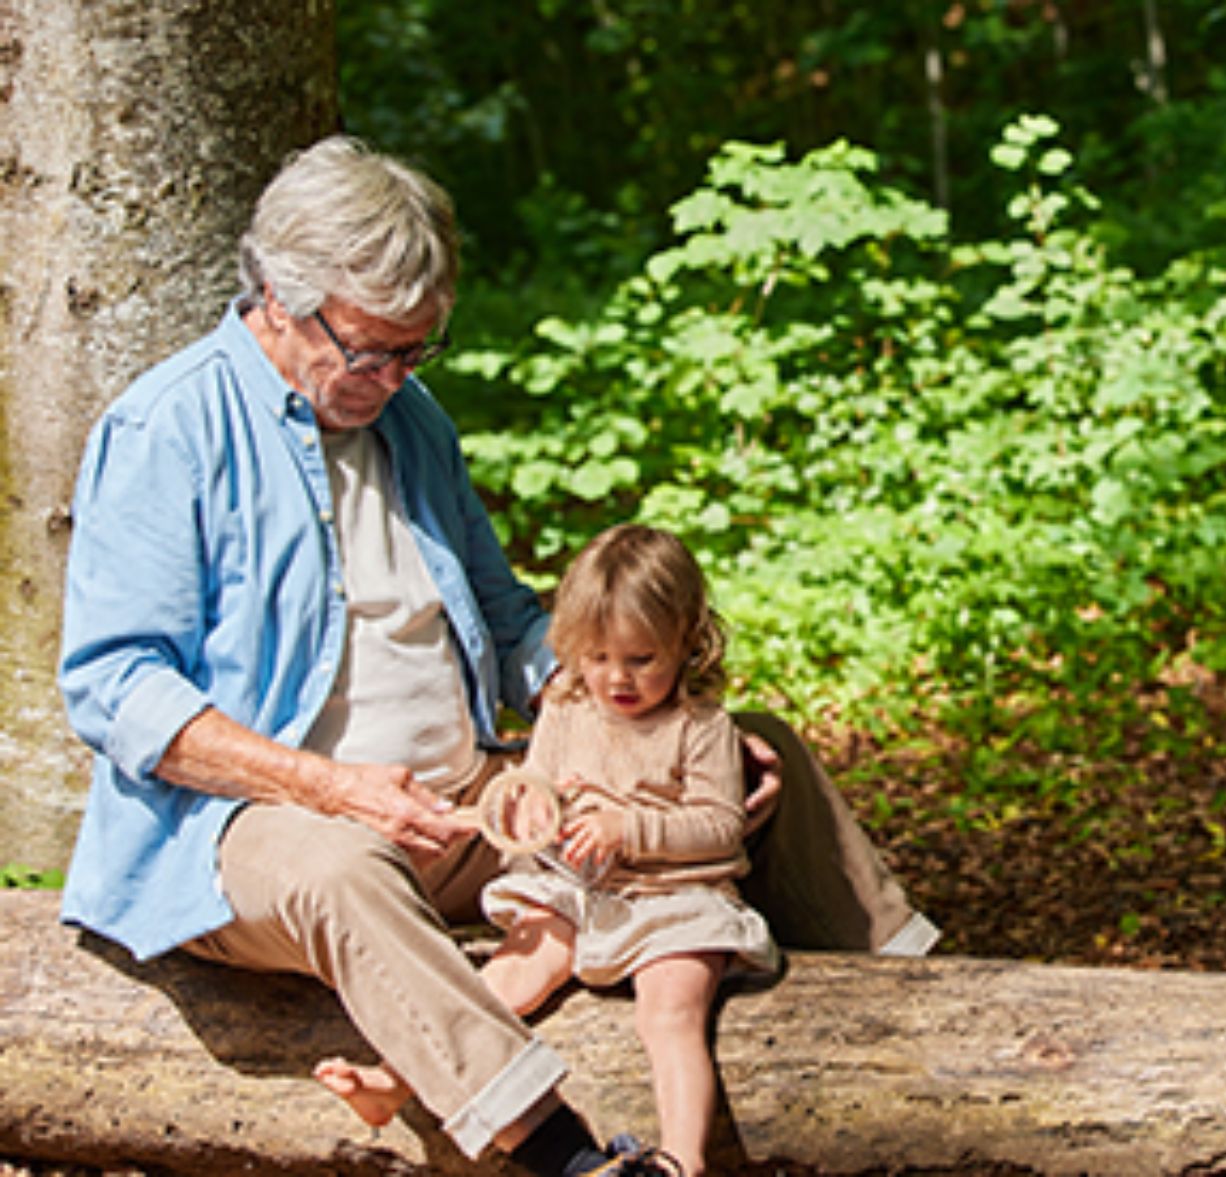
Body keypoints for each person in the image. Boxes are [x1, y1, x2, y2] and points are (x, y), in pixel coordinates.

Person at [56, 134, 935, 1177]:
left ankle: (935, 1020)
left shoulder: (410, 422)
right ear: (282, 298)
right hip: (259, 833)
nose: (389, 378)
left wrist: (615, 722)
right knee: (341, 863)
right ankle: (566, 1154)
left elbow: (512, 620)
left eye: (416, 351)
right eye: (369, 349)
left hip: (468, 803)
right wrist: (331, 788)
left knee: (751, 746)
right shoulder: (169, 426)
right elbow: (116, 689)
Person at [318, 524, 779, 1177]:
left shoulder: (700, 724)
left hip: (674, 896)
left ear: (686, 641)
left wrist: (632, 827)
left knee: (671, 1011)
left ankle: (684, 1158)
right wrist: (533, 807)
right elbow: (534, 786)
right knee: (512, 973)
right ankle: (395, 1079)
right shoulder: (566, 707)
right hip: (578, 889)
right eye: (597, 657)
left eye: (641, 659)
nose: (616, 678)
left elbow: (719, 826)